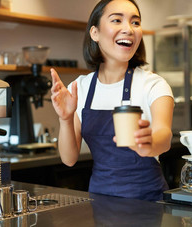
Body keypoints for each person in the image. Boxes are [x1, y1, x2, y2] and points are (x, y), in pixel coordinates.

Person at [50, 0, 174, 201]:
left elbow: (164, 136)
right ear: (95, 33)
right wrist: (65, 118)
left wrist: (149, 143)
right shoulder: (80, 87)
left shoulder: (153, 85)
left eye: (135, 22)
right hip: (100, 201)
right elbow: (69, 159)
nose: (128, 29)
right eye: (117, 20)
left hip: (148, 203)